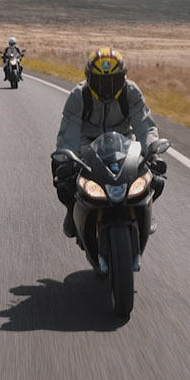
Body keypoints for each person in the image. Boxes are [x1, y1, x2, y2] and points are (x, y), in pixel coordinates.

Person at [52, 47, 166, 238]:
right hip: (86, 146)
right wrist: (66, 160)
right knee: (62, 178)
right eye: (101, 81)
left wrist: (152, 152)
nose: (107, 86)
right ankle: (72, 211)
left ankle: (146, 210)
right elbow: (68, 132)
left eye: (114, 80)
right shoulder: (78, 96)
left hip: (124, 144)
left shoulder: (131, 92)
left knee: (156, 180)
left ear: (124, 78)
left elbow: (145, 125)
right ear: (89, 79)